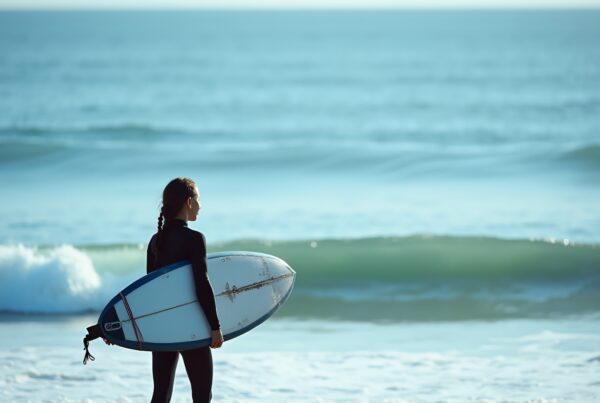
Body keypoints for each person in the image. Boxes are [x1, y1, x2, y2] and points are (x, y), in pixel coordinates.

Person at [146, 177, 224, 403]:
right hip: (191, 327)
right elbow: (201, 283)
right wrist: (215, 326)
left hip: (164, 328)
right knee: (201, 397)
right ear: (189, 202)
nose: (201, 205)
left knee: (160, 395)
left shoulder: (155, 242)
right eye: (198, 199)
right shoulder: (194, 239)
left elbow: (150, 293)